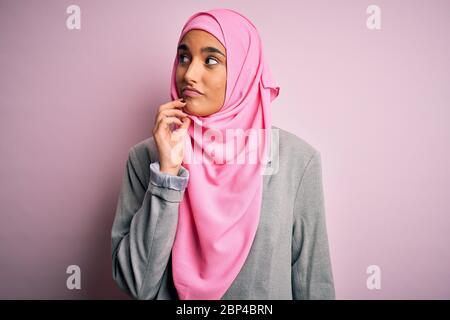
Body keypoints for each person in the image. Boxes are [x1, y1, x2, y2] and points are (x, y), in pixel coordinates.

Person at [111, 8, 335, 300]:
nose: (189, 74)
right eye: (183, 58)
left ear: (245, 72)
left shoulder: (296, 162)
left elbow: (313, 285)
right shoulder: (146, 159)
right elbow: (138, 285)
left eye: (211, 60)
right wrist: (165, 177)